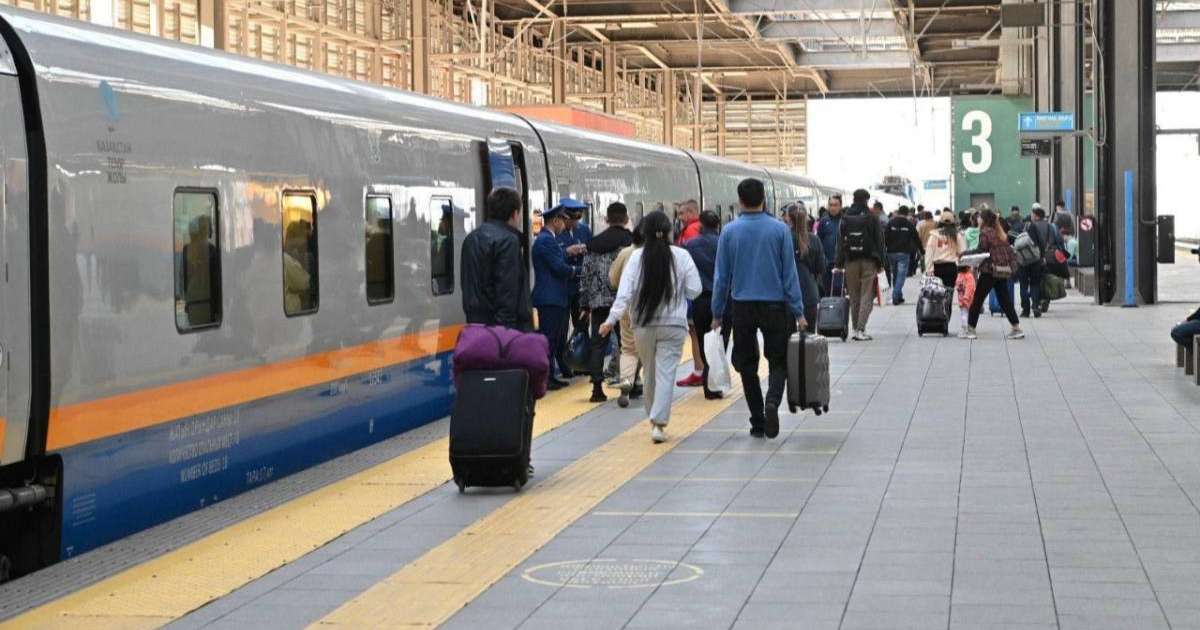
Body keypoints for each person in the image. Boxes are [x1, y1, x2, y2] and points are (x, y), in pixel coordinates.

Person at [712, 178, 806, 439]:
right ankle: (772, 401)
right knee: (778, 360)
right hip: (775, 305)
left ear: (739, 201)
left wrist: (717, 313)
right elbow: (789, 275)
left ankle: (757, 421)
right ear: (764, 199)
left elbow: (721, 278)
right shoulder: (780, 230)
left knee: (747, 364)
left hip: (742, 306)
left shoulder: (729, 232)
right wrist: (799, 312)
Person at [600, 211, 702, 444]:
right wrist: (679, 291)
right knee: (666, 373)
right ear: (669, 232)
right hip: (673, 324)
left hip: (643, 325)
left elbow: (624, 294)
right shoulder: (682, 256)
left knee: (649, 372)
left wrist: (610, 320)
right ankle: (658, 422)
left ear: (643, 233)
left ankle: (653, 417)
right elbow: (695, 290)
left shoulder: (636, 258)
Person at [579, 202, 634, 402]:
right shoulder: (631, 242)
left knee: (598, 345)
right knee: (627, 345)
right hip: (624, 302)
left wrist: (584, 304)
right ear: (626, 219)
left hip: (598, 302)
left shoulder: (593, 244)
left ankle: (597, 389)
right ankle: (630, 385)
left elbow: (585, 276)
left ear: (606, 219)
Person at [461, 187, 533, 331]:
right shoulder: (509, 241)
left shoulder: (470, 239)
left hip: (476, 326)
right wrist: (505, 336)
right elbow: (507, 296)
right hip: (500, 332)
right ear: (514, 214)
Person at [533, 203, 582, 390]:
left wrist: (567, 252)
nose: (564, 224)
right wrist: (579, 271)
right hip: (550, 299)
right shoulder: (546, 240)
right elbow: (559, 268)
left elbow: (556, 257)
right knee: (549, 340)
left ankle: (550, 376)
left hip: (553, 298)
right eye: (563, 220)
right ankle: (546, 378)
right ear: (555, 220)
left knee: (553, 339)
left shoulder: (546, 239)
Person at [964, 208, 1024, 340]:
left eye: (979, 217)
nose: (978, 219)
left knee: (978, 299)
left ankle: (971, 329)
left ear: (984, 219)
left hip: (989, 271)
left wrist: (964, 254)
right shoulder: (999, 232)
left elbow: (981, 250)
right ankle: (1016, 328)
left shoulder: (985, 232)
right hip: (1001, 270)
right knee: (1005, 300)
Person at [684, 210, 726, 399]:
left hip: (700, 300)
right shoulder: (724, 242)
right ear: (717, 225)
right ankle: (714, 382)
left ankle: (709, 381)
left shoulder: (690, 245)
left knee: (703, 341)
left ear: (700, 225)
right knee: (720, 341)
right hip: (723, 300)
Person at [834, 189, 886, 341]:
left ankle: (856, 328)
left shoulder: (845, 217)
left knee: (854, 296)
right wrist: (882, 262)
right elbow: (879, 240)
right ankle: (861, 329)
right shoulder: (872, 217)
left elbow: (840, 242)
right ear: (866, 200)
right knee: (866, 295)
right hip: (869, 261)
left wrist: (839, 262)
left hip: (850, 261)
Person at [610, 221, 645, 408]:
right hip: (651, 308)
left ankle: (627, 381)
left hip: (627, 306)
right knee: (648, 347)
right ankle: (639, 380)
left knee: (629, 349)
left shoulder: (625, 253)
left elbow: (613, 279)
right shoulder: (657, 253)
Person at [556, 203, 591, 376]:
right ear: (565, 218)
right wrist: (567, 252)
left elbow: (592, 252)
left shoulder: (584, 231)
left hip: (581, 287)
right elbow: (554, 257)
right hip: (563, 287)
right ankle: (564, 364)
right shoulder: (556, 233)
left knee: (582, 326)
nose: (576, 223)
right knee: (562, 329)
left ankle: (582, 362)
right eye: (573, 219)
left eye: (578, 219)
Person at [675, 199, 706, 388]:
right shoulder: (699, 229)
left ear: (691, 213)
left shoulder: (691, 232)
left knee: (695, 332)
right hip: (702, 289)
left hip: (695, 291)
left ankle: (699, 370)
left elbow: (687, 263)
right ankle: (701, 370)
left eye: (681, 213)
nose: (679, 217)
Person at [783, 203, 826, 330]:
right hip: (809, 292)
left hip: (787, 293)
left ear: (788, 218)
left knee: (787, 335)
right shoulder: (814, 240)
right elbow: (821, 267)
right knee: (809, 334)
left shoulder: (783, 238)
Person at [1020, 206, 1063, 318]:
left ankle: (1025, 310)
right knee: (1036, 283)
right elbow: (1052, 241)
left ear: (1035, 215)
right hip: (1037, 259)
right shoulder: (1049, 226)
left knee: (1023, 285)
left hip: (1024, 259)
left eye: (1032, 214)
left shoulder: (1027, 226)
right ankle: (1036, 306)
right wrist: (1043, 256)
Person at [884, 206, 921, 305]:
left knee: (896, 275)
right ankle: (895, 295)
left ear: (899, 212)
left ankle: (899, 296)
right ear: (907, 213)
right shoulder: (909, 224)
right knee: (901, 276)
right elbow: (916, 238)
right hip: (904, 253)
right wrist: (921, 250)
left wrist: (885, 249)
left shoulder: (891, 223)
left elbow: (885, 237)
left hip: (891, 253)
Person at [924, 210, 966, 291]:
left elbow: (929, 253)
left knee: (937, 294)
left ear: (940, 222)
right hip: (951, 267)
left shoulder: (934, 235)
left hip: (937, 268)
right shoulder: (957, 235)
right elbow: (962, 251)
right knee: (949, 292)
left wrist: (929, 269)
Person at [816, 195, 844, 295]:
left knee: (839, 291)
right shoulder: (824, 221)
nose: (833, 208)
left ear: (840, 206)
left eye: (835, 205)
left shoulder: (845, 220)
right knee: (827, 291)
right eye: (831, 205)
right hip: (827, 264)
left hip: (841, 264)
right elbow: (818, 241)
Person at [954, 264, 975, 335]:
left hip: (961, 298)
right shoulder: (969, 276)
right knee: (967, 314)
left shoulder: (959, 275)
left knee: (963, 314)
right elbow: (970, 287)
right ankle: (966, 328)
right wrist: (966, 297)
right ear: (967, 267)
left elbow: (957, 286)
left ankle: (964, 328)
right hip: (968, 298)